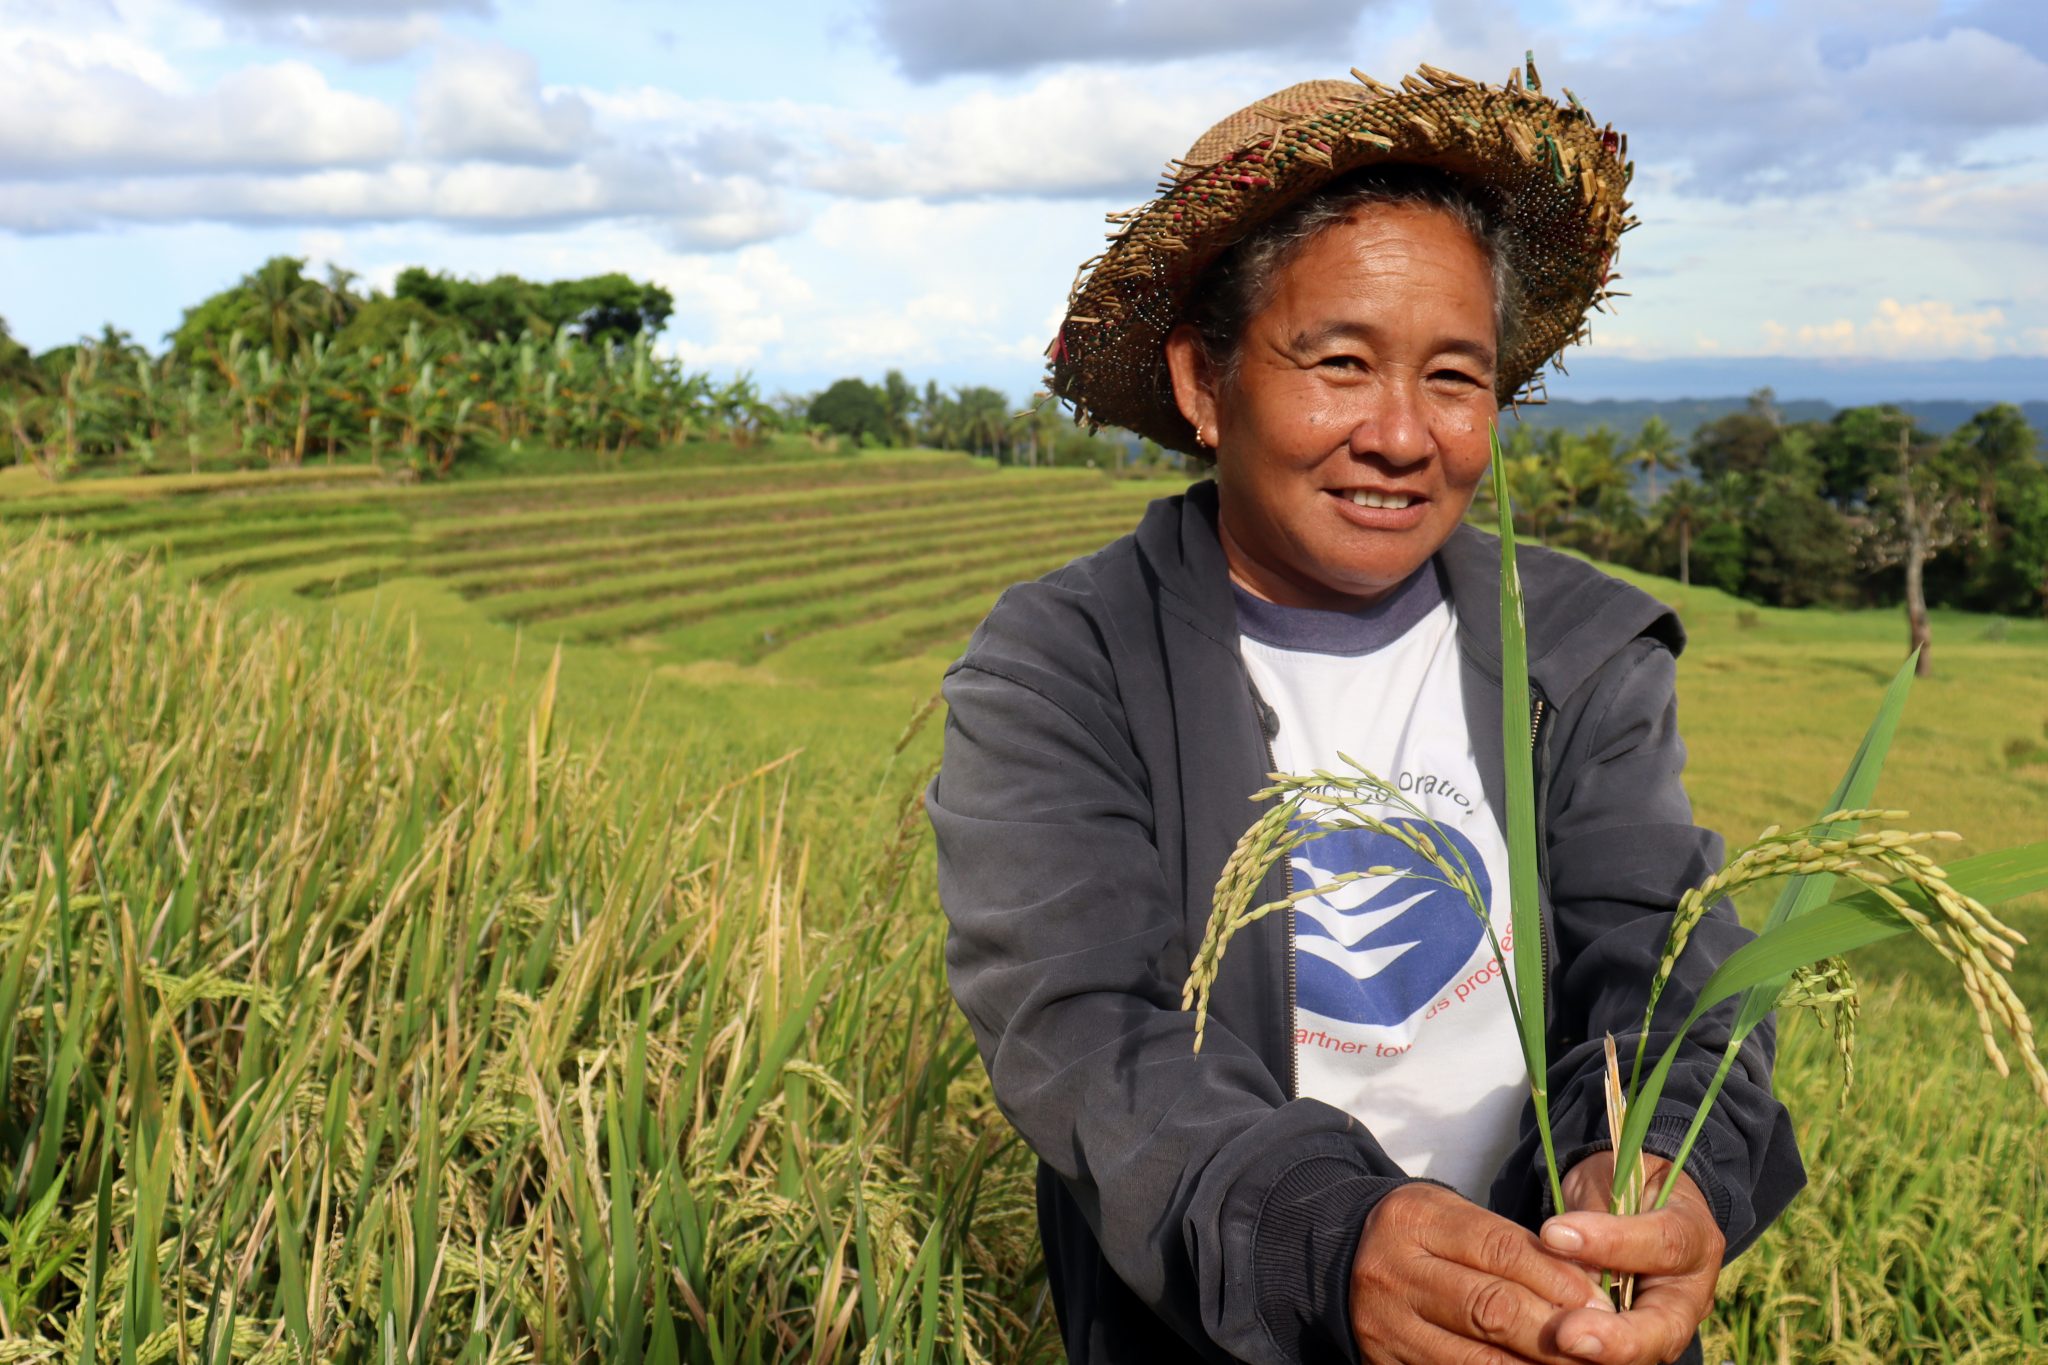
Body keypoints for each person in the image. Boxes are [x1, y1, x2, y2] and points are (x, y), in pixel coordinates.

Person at [926, 64, 1805, 1365]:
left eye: (1455, 376)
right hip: (1213, 1327)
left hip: (1556, 1320)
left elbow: (1660, 945)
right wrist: (1330, 1240)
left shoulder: (1577, 649)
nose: (1402, 433)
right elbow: (1086, 1024)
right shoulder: (1066, 663)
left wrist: (1659, 1159)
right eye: (1338, 361)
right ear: (1204, 382)